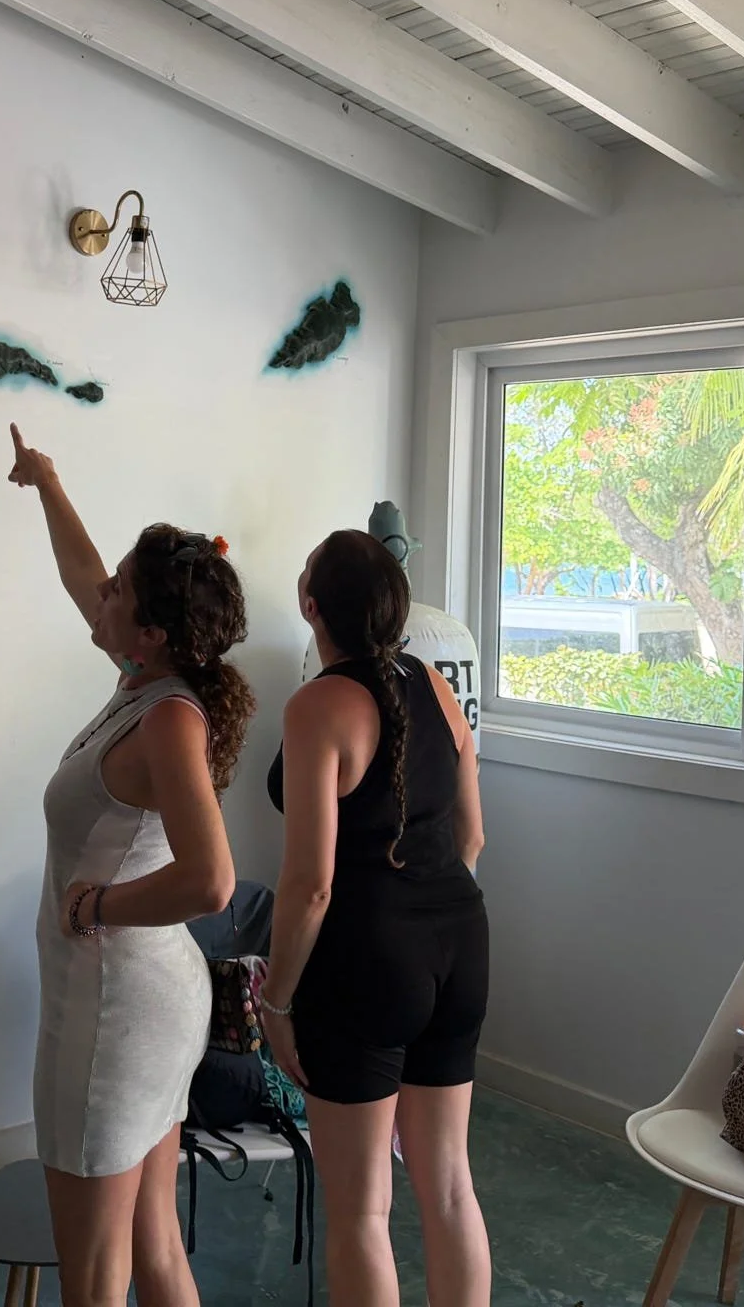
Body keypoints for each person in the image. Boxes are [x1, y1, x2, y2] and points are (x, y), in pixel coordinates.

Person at [6, 424, 246, 1307]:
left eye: (118, 590)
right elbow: (83, 578)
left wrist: (101, 904)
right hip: (140, 1001)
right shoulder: (143, 679)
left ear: (146, 631)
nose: (100, 590)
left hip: (112, 1017)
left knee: (96, 1280)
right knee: (154, 1250)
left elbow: (211, 879)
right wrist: (48, 483)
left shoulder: (167, 718)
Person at [259, 530, 490, 1307]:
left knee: (360, 1209)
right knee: (450, 1187)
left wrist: (276, 1002)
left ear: (311, 606)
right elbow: (472, 837)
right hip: (459, 944)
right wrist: (425, 915)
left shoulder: (317, 704)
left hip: (363, 962)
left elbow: (311, 885)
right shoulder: (431, 681)